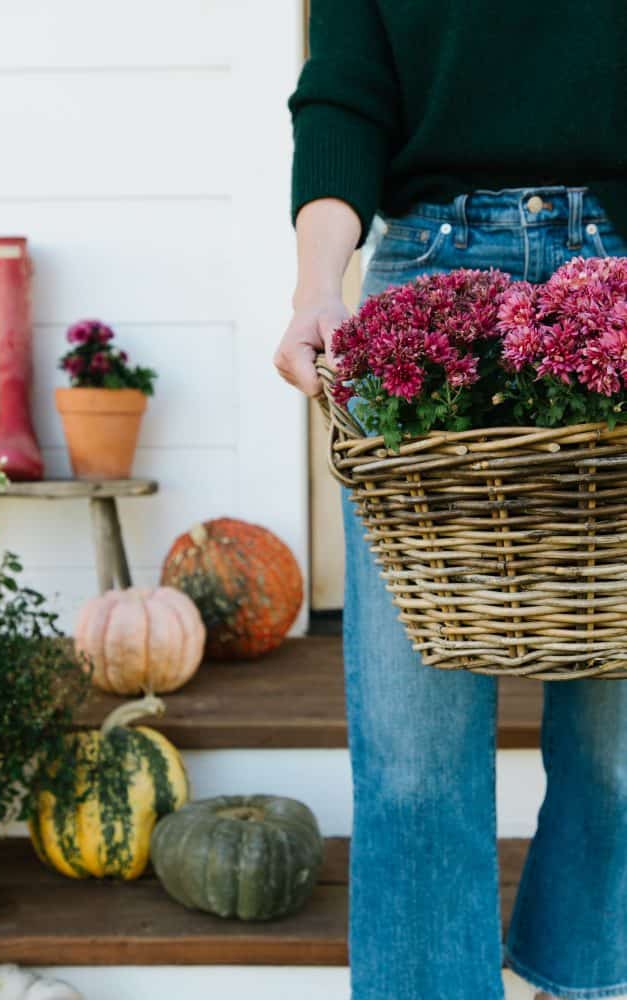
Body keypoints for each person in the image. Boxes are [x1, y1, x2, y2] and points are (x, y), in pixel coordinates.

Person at [273, 3, 627, 999]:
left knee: (618, 750)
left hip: (620, 260)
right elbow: (344, 93)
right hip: (430, 271)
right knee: (415, 756)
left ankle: (581, 978)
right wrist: (315, 283)